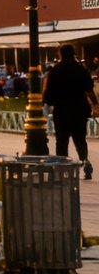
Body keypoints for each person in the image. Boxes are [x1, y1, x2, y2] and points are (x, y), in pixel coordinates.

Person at [44, 44, 98, 179]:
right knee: (80, 139)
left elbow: (48, 94)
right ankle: (85, 163)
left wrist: (49, 103)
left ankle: (62, 168)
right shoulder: (81, 69)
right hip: (79, 109)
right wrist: (96, 105)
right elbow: (89, 89)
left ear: (60, 54)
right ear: (74, 53)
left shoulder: (56, 70)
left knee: (61, 141)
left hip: (62, 110)